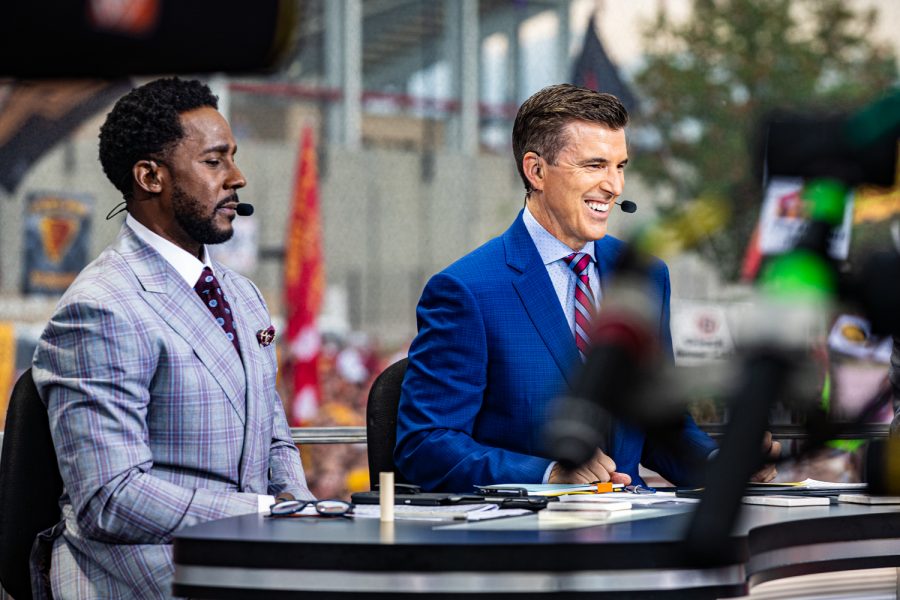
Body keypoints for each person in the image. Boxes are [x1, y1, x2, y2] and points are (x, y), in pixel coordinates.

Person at [395, 84, 780, 492]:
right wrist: (548, 476)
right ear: (536, 171)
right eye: (595, 165)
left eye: (620, 166)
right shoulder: (466, 291)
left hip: (635, 531)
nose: (614, 186)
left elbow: (659, 425)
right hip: (529, 540)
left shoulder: (647, 275)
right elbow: (425, 445)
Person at [30, 77, 312, 599]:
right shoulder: (102, 306)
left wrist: (302, 512)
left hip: (239, 555)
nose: (238, 177)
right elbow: (110, 498)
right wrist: (266, 514)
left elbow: (273, 435)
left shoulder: (243, 295)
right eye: (214, 161)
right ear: (150, 177)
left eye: (234, 157)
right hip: (139, 570)